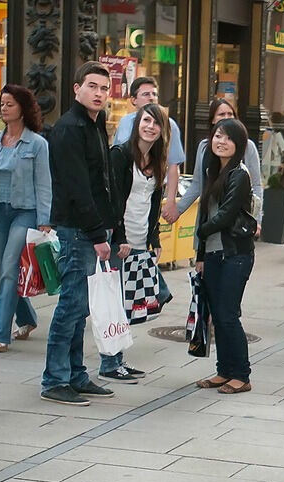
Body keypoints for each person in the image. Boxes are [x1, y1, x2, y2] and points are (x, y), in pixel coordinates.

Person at [40, 61, 116, 406]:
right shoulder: (70, 128)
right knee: (71, 305)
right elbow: (77, 187)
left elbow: (103, 182)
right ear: (76, 88)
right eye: (93, 86)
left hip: (92, 226)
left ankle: (75, 374)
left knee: (81, 307)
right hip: (76, 228)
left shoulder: (94, 124)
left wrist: (111, 225)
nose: (99, 93)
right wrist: (98, 233)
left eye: (104, 88)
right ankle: (54, 379)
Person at [99, 103, 171, 383]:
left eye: (156, 123)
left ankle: (117, 359)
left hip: (141, 240)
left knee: (132, 301)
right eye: (146, 121)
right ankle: (109, 363)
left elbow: (154, 203)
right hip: (122, 240)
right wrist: (120, 237)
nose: (151, 127)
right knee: (116, 303)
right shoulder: (120, 156)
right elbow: (113, 200)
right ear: (137, 123)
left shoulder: (157, 162)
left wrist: (154, 238)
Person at [0, 85, 51, 353]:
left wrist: (45, 219)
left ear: (23, 108)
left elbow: (44, 184)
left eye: (9, 104)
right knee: (4, 270)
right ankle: (28, 318)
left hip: (24, 212)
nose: (4, 108)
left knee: (9, 268)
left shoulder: (37, 144)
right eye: (2, 104)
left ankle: (0, 334)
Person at [193, 119, 255, 394]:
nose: (221, 141)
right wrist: (200, 253)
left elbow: (225, 215)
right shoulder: (212, 172)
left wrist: (202, 231)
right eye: (217, 136)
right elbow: (206, 213)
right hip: (214, 254)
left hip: (235, 255)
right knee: (217, 315)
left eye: (227, 138)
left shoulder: (239, 175)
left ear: (238, 145)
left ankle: (241, 374)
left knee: (228, 314)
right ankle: (223, 371)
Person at [177, 98, 264, 226]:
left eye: (230, 114)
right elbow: (197, 184)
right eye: (221, 114)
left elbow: (256, 185)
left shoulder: (248, 146)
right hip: (208, 217)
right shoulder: (204, 146)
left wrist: (256, 219)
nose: (226, 117)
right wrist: (178, 210)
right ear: (213, 120)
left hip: (237, 223)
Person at [112, 77, 185, 222]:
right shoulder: (125, 122)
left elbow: (173, 165)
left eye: (154, 94)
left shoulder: (169, 125)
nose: (151, 98)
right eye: (146, 94)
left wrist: (171, 201)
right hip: (123, 193)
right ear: (133, 100)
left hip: (150, 192)